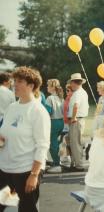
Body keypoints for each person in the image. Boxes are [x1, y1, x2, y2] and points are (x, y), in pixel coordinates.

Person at [0, 66, 50, 212]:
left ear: (31, 85)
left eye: (20, 81)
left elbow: (43, 146)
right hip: (6, 171)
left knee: (26, 209)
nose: (15, 84)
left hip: (26, 172)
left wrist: (34, 175)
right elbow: (5, 135)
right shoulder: (12, 108)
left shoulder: (38, 111)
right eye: (14, 81)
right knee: (5, 205)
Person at [67, 73, 89, 171]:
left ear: (74, 82)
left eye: (71, 82)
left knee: (75, 143)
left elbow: (76, 105)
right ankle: (77, 163)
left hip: (77, 119)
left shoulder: (78, 93)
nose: (70, 85)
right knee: (76, 142)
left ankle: (79, 165)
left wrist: (73, 117)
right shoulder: (81, 92)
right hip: (79, 119)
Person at [46, 79, 65, 173]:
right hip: (61, 122)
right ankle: (57, 161)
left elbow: (48, 112)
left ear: (53, 87)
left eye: (48, 85)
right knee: (56, 143)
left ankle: (57, 164)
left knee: (52, 144)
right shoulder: (61, 98)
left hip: (53, 122)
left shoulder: (49, 98)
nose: (47, 87)